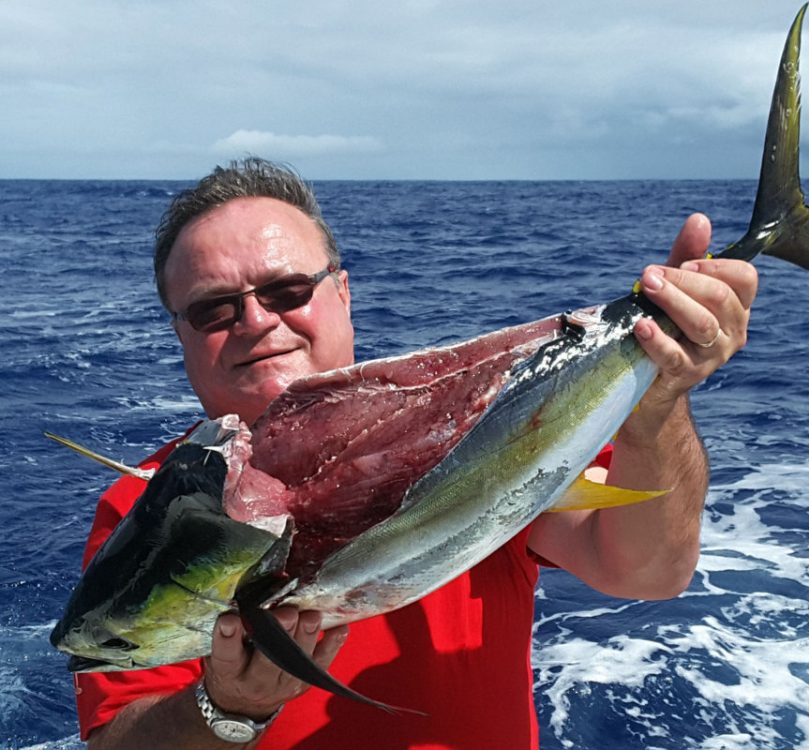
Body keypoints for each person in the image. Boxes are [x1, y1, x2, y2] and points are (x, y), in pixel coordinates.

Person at [75, 157, 758, 749]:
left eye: (286, 291)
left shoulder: (488, 428)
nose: (256, 321)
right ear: (181, 335)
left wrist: (658, 399)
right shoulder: (142, 510)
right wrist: (225, 709)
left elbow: (648, 570)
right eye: (214, 309)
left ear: (342, 292)